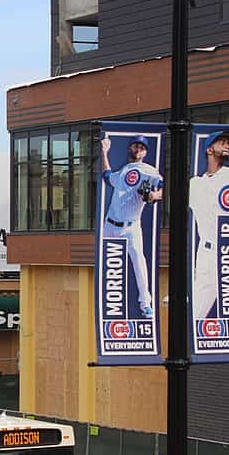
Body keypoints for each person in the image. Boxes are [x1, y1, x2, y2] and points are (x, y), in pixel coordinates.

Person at [99, 134, 164, 318]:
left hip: (131, 226)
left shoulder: (148, 170)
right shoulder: (124, 171)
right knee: (105, 262)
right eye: (136, 146)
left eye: (141, 147)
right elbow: (107, 175)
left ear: (145, 152)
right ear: (130, 148)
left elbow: (163, 186)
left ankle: (146, 304)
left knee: (139, 262)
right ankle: (105, 301)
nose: (138, 149)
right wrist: (104, 152)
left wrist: (154, 196)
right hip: (110, 225)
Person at [190, 130, 229, 320]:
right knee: (196, 313)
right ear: (209, 149)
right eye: (221, 142)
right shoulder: (196, 183)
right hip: (205, 251)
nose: (226, 146)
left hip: (226, 252)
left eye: (228, 144)